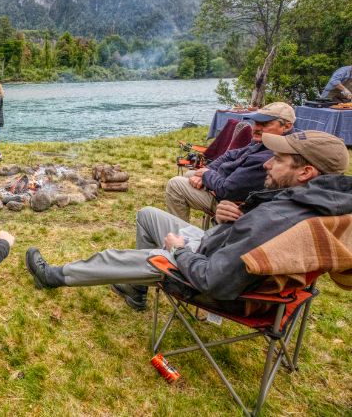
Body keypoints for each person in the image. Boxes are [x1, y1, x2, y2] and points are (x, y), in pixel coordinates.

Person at [26, 130, 351, 311]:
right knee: (147, 215)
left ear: (306, 172)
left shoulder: (283, 216)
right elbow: (248, 237)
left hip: (203, 272)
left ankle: (53, 276)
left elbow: (215, 281)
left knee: (119, 256)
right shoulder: (314, 201)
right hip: (217, 249)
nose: (268, 165)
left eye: (278, 160)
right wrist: (229, 218)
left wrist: (179, 250)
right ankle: (136, 291)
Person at [165, 102, 296, 222]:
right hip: (227, 183)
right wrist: (208, 171)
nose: (256, 128)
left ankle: (181, 239)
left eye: (265, 124)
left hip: (235, 206)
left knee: (175, 185)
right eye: (256, 123)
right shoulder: (263, 142)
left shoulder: (273, 157)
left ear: (287, 126)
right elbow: (230, 154)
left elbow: (227, 190)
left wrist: (206, 175)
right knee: (190, 174)